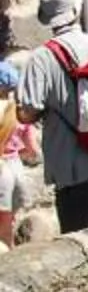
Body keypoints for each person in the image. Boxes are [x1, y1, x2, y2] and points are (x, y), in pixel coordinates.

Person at [0, 0, 88, 232]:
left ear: (47, 20)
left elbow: (27, 113)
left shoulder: (42, 57)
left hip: (74, 166)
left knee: (83, 245)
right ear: (75, 11)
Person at [0, 101, 40, 248]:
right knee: (8, 219)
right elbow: (33, 150)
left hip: (2, 170)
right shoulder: (22, 115)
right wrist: (17, 152)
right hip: (15, 168)